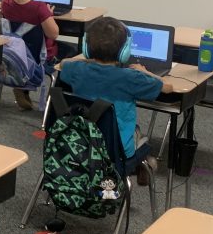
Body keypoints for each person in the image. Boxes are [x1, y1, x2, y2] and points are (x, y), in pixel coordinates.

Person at [59, 16, 172, 183]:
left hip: (77, 144)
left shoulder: (76, 69)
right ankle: (143, 162)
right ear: (125, 51)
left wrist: (87, 59)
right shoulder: (132, 77)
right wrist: (144, 71)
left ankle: (142, 162)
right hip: (115, 152)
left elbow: (62, 63)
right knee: (139, 134)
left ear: (86, 47)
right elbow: (167, 87)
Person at [0, 0, 61, 110]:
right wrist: (48, 14)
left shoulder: (5, 3)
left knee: (26, 41)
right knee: (66, 50)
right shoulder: (39, 7)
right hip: (37, 62)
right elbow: (54, 34)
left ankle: (22, 88)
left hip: (14, 57)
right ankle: (53, 105)